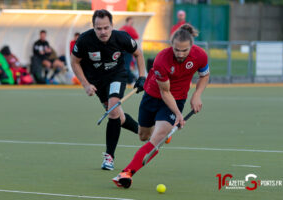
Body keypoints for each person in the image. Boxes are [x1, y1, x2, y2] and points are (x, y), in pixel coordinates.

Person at [112, 24, 210, 189]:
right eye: (177, 50)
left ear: (191, 47)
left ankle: (126, 173)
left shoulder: (200, 55)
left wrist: (197, 95)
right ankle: (160, 134)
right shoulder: (162, 59)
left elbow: (204, 75)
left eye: (184, 50)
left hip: (177, 99)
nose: (180, 54)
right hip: (153, 96)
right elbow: (165, 92)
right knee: (144, 136)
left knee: (157, 139)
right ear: (172, 45)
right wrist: (180, 115)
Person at [71, 9, 146, 171]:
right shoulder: (84, 40)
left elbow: (138, 54)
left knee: (112, 110)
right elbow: (75, 62)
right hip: (97, 81)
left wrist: (141, 77)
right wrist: (85, 84)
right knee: (118, 116)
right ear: (93, 27)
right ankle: (144, 131)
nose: (103, 32)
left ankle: (109, 157)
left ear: (112, 25)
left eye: (106, 27)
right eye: (99, 28)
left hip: (117, 76)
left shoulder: (122, 37)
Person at [119, 17, 139, 84]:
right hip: (126, 50)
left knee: (126, 66)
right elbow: (136, 36)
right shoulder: (128, 28)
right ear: (128, 21)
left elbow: (136, 36)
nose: (132, 22)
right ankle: (130, 80)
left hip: (125, 50)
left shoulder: (123, 28)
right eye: (131, 21)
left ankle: (130, 80)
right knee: (126, 66)